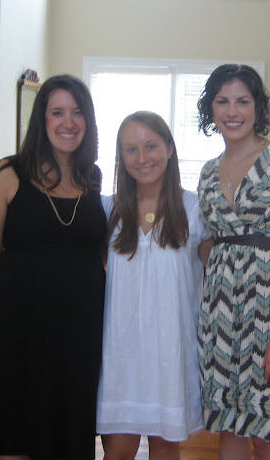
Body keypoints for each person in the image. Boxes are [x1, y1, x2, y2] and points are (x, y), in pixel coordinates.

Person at [0, 74, 107, 460]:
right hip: (17, 330)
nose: (68, 122)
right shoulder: (8, 174)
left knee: (69, 433)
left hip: (78, 333)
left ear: (88, 120)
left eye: (77, 112)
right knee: (17, 433)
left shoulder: (92, 178)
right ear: (41, 120)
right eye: (57, 112)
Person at [196, 64, 270, 460]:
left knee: (266, 430)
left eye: (242, 101)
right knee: (227, 425)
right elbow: (210, 242)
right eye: (222, 101)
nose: (232, 111)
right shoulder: (208, 172)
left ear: (257, 107)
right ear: (210, 109)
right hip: (219, 316)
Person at [97, 111, 212, 460]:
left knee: (165, 449)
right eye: (131, 149)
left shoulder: (194, 208)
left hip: (169, 354)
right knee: (117, 451)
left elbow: (222, 268)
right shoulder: (106, 210)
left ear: (170, 148)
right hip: (119, 355)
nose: (142, 157)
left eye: (150, 146)